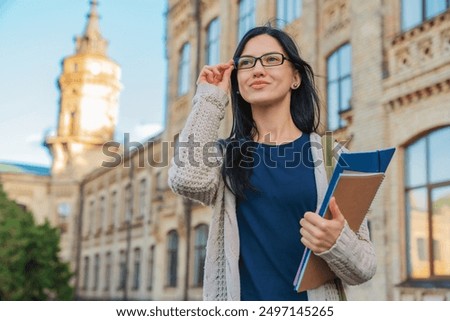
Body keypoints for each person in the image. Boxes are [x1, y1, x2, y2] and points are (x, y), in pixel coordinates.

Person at [168, 25, 376, 301]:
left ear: (295, 78)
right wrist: (209, 97)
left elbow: (364, 268)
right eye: (246, 63)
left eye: (271, 59)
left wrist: (337, 242)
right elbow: (185, 178)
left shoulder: (333, 157)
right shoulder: (224, 156)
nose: (257, 69)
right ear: (238, 84)